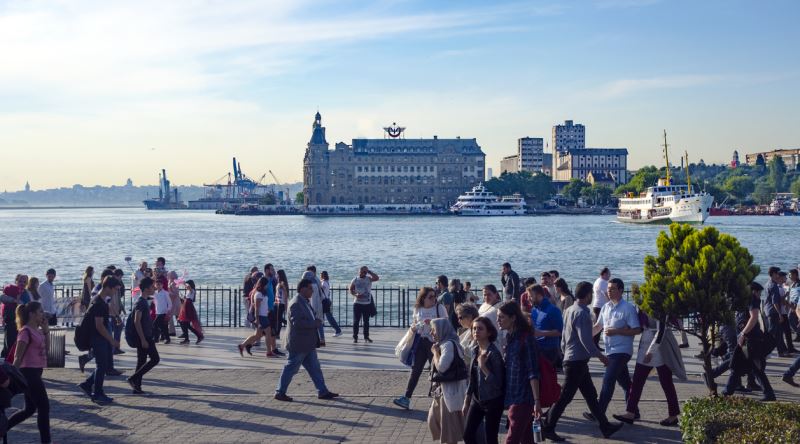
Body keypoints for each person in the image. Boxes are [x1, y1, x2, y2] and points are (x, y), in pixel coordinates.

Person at [543, 282, 622, 442]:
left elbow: (565, 335)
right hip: (576, 362)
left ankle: (605, 426)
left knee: (591, 396)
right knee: (564, 397)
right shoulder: (583, 314)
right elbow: (585, 340)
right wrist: (601, 356)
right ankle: (548, 428)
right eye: (591, 294)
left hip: (575, 360)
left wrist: (564, 351)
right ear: (588, 295)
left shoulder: (569, 310)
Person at [613, 307, 685, 427]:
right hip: (646, 343)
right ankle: (630, 413)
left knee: (666, 382)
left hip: (661, 347)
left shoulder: (660, 305)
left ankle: (673, 416)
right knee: (637, 380)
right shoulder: (642, 305)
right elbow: (641, 327)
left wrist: (651, 351)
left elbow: (661, 330)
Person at [585, 277, 641, 421]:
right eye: (608, 289)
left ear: (621, 290)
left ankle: (598, 413)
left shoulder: (628, 308)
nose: (609, 291)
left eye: (612, 289)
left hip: (622, 351)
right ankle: (634, 410)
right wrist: (583, 337)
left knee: (608, 379)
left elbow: (636, 329)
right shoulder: (606, 307)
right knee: (624, 382)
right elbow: (598, 327)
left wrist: (617, 331)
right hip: (610, 351)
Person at [274, 279, 339, 402]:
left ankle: (322, 391)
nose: (312, 291)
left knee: (315, 368)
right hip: (298, 344)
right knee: (291, 368)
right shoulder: (296, 303)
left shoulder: (304, 302)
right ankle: (280, 392)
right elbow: (298, 322)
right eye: (310, 288)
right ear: (303, 288)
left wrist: (315, 321)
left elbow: (309, 316)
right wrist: (314, 323)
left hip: (307, 344)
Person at [711, 282, 776, 401]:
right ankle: (767, 393)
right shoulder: (745, 300)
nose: (759, 294)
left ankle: (727, 390)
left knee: (741, 364)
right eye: (759, 292)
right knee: (747, 365)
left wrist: (743, 334)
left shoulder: (752, 299)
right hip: (749, 338)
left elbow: (754, 317)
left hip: (750, 339)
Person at [393, 287, 447, 410]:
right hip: (421, 341)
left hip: (434, 343)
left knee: (437, 370)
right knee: (415, 370)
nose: (434, 299)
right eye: (430, 297)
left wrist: (432, 322)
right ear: (423, 298)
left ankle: (441, 398)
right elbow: (415, 323)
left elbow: (446, 323)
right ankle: (406, 397)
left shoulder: (439, 308)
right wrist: (413, 328)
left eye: (434, 296)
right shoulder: (418, 309)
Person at [496, 301, 541, 444]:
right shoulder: (510, 337)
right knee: (527, 439)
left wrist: (537, 401)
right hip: (512, 396)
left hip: (524, 398)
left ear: (513, 317)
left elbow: (533, 371)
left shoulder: (526, 338)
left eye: (502, 317)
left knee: (511, 439)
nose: (498, 320)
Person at [6, 302, 51, 443]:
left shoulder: (37, 330)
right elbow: (17, 357)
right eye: (40, 311)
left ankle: (2, 429)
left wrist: (46, 330)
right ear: (32, 314)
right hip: (28, 373)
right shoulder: (25, 331)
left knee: (29, 409)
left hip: (37, 372)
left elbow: (47, 349)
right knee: (44, 406)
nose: (42, 313)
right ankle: (46, 441)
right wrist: (12, 377)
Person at [78, 276, 121, 405]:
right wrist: (112, 340)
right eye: (115, 289)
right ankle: (98, 393)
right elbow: (99, 325)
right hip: (97, 338)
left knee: (103, 365)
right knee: (101, 366)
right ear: (108, 287)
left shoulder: (99, 300)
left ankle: (87, 384)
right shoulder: (98, 303)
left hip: (99, 338)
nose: (115, 292)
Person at [462, 317, 505, 444]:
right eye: (474, 328)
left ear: (489, 332)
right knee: (468, 435)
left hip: (493, 401)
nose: (476, 331)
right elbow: (472, 378)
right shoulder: (475, 350)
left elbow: (498, 383)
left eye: (480, 329)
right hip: (477, 400)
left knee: (491, 438)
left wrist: (483, 367)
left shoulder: (494, 354)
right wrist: (466, 401)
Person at [427, 318, 468, 444]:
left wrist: (434, 353)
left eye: (433, 330)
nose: (431, 333)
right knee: (434, 420)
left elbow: (442, 367)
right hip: (442, 391)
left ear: (441, 329)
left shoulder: (448, 345)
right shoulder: (445, 343)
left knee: (448, 428)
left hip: (449, 391)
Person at [127, 277, 160, 395]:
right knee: (155, 359)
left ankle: (137, 387)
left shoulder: (144, 300)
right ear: (146, 289)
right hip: (145, 337)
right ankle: (133, 379)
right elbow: (137, 321)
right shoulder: (141, 302)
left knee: (141, 361)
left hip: (146, 336)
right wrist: (142, 339)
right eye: (152, 286)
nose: (154, 288)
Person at [239, 277, 275, 357]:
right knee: (268, 333)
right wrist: (257, 320)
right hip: (261, 317)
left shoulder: (263, 293)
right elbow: (257, 308)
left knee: (257, 335)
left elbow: (262, 306)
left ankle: (242, 346)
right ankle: (269, 352)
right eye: (266, 284)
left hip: (264, 315)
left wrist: (267, 310)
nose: (267, 286)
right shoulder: (258, 294)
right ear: (263, 284)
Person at [530, 284, 563, 366]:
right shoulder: (534, 309)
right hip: (535, 347)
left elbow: (560, 331)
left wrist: (541, 333)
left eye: (531, 296)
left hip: (549, 350)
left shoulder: (553, 310)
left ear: (539, 295)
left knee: (547, 377)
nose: (528, 299)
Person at [349, 266, 379, 344]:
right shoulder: (355, 279)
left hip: (367, 303)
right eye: (361, 271)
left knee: (366, 321)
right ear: (358, 271)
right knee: (356, 321)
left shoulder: (368, 279)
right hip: (357, 303)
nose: (362, 273)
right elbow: (350, 289)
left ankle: (366, 337)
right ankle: (355, 337)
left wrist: (369, 271)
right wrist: (355, 295)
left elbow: (377, 278)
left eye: (364, 272)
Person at [764, 267, 790, 357]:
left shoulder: (767, 284)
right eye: (777, 273)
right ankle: (764, 352)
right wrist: (780, 314)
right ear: (774, 274)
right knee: (773, 333)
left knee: (777, 333)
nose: (778, 275)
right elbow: (775, 302)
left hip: (768, 311)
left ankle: (782, 351)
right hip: (773, 312)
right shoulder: (774, 285)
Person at [478, 285, 506, 350]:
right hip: (482, 337)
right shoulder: (483, 305)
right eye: (484, 295)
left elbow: (505, 325)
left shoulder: (501, 306)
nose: (486, 297)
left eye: (489, 294)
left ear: (495, 294)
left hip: (496, 338)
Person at [302, 267, 325, 345]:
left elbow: (311, 297)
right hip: (319, 305)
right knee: (319, 322)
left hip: (313, 306)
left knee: (313, 323)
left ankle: (315, 340)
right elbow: (321, 294)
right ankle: (322, 339)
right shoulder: (317, 280)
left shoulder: (310, 285)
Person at [178, 280, 204, 344]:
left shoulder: (192, 290)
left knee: (185, 323)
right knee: (183, 323)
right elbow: (186, 297)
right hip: (185, 306)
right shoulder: (188, 291)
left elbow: (189, 289)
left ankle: (197, 336)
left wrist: (183, 283)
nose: (186, 286)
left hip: (188, 307)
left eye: (187, 285)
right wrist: (183, 298)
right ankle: (192, 337)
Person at [320, 271, 342, 338]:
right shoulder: (326, 282)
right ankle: (337, 330)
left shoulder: (323, 283)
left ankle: (338, 330)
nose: (320, 276)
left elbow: (320, 291)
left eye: (320, 275)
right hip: (327, 300)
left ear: (323, 276)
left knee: (328, 317)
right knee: (326, 317)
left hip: (324, 301)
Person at [591, 267, 610, 348]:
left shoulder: (597, 281)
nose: (609, 276)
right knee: (599, 326)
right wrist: (612, 303)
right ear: (604, 274)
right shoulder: (603, 282)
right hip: (600, 306)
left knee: (598, 325)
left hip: (597, 305)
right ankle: (595, 345)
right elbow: (606, 294)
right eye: (609, 274)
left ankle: (595, 344)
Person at [110, 268, 126, 355]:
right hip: (112, 313)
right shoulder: (112, 286)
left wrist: (122, 308)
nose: (121, 279)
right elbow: (111, 302)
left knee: (118, 328)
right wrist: (117, 315)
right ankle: (114, 348)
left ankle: (116, 347)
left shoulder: (117, 285)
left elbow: (118, 299)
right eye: (120, 277)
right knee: (116, 328)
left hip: (116, 311)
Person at [152, 278, 172, 344]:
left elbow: (169, 303)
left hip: (163, 312)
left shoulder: (165, 293)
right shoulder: (154, 293)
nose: (158, 286)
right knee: (163, 326)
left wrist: (168, 311)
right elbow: (152, 300)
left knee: (155, 325)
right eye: (157, 284)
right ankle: (167, 338)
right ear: (155, 285)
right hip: (158, 311)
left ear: (162, 285)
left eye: (159, 284)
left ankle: (156, 338)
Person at [275, 269, 289, 343]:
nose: (276, 275)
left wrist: (286, 306)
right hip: (278, 303)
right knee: (278, 318)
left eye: (277, 274)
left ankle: (277, 333)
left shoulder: (282, 283)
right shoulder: (278, 283)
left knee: (279, 319)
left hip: (282, 303)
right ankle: (287, 323)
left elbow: (285, 295)